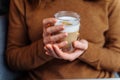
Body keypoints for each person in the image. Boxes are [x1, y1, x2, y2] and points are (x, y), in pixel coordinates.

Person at [6, 0, 120, 79]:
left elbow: (117, 59)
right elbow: (13, 59)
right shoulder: (22, 2)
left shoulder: (110, 2)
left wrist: (86, 50)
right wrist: (46, 47)